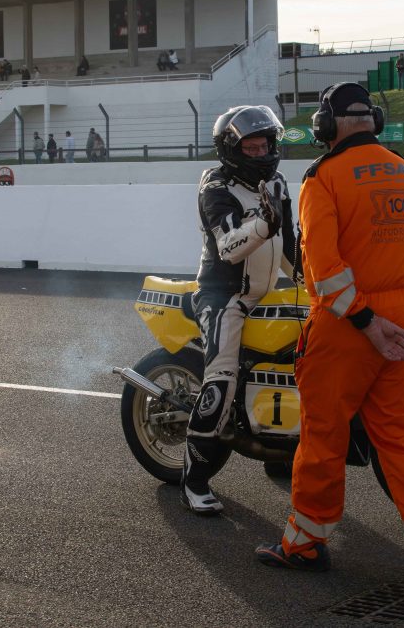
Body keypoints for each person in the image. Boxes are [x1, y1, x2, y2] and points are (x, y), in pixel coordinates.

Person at [254, 82, 404, 587]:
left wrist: (365, 323)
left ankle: (304, 544)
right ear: (374, 120)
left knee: (324, 434)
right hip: (402, 314)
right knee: (401, 434)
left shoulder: (322, 177)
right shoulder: (402, 169)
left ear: (326, 125)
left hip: (349, 323)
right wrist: (383, 321)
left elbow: (322, 270)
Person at [181, 105, 296, 514]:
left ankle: (281, 448)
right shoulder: (215, 187)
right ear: (232, 149)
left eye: (266, 143)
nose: (262, 151)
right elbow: (228, 247)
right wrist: (266, 221)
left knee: (299, 360)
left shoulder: (276, 181)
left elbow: (292, 249)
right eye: (252, 146)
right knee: (221, 380)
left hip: (267, 292)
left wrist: (315, 282)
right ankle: (194, 479)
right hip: (223, 296)